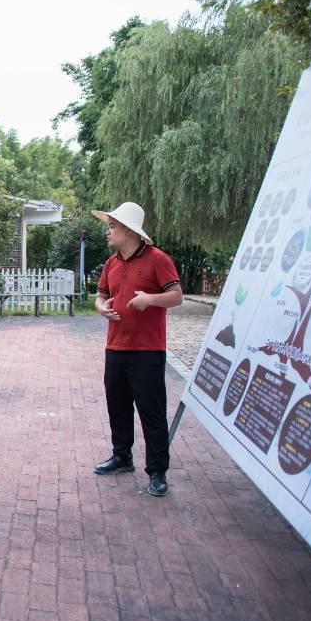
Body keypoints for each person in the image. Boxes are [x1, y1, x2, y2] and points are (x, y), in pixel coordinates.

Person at [91, 202, 183, 497]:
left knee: (151, 412)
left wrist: (150, 300)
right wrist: (101, 308)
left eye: (113, 226)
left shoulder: (158, 260)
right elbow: (100, 296)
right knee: (117, 405)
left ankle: (157, 471)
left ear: (129, 230)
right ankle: (122, 456)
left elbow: (177, 296)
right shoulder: (111, 263)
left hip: (147, 350)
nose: (108, 231)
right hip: (115, 346)